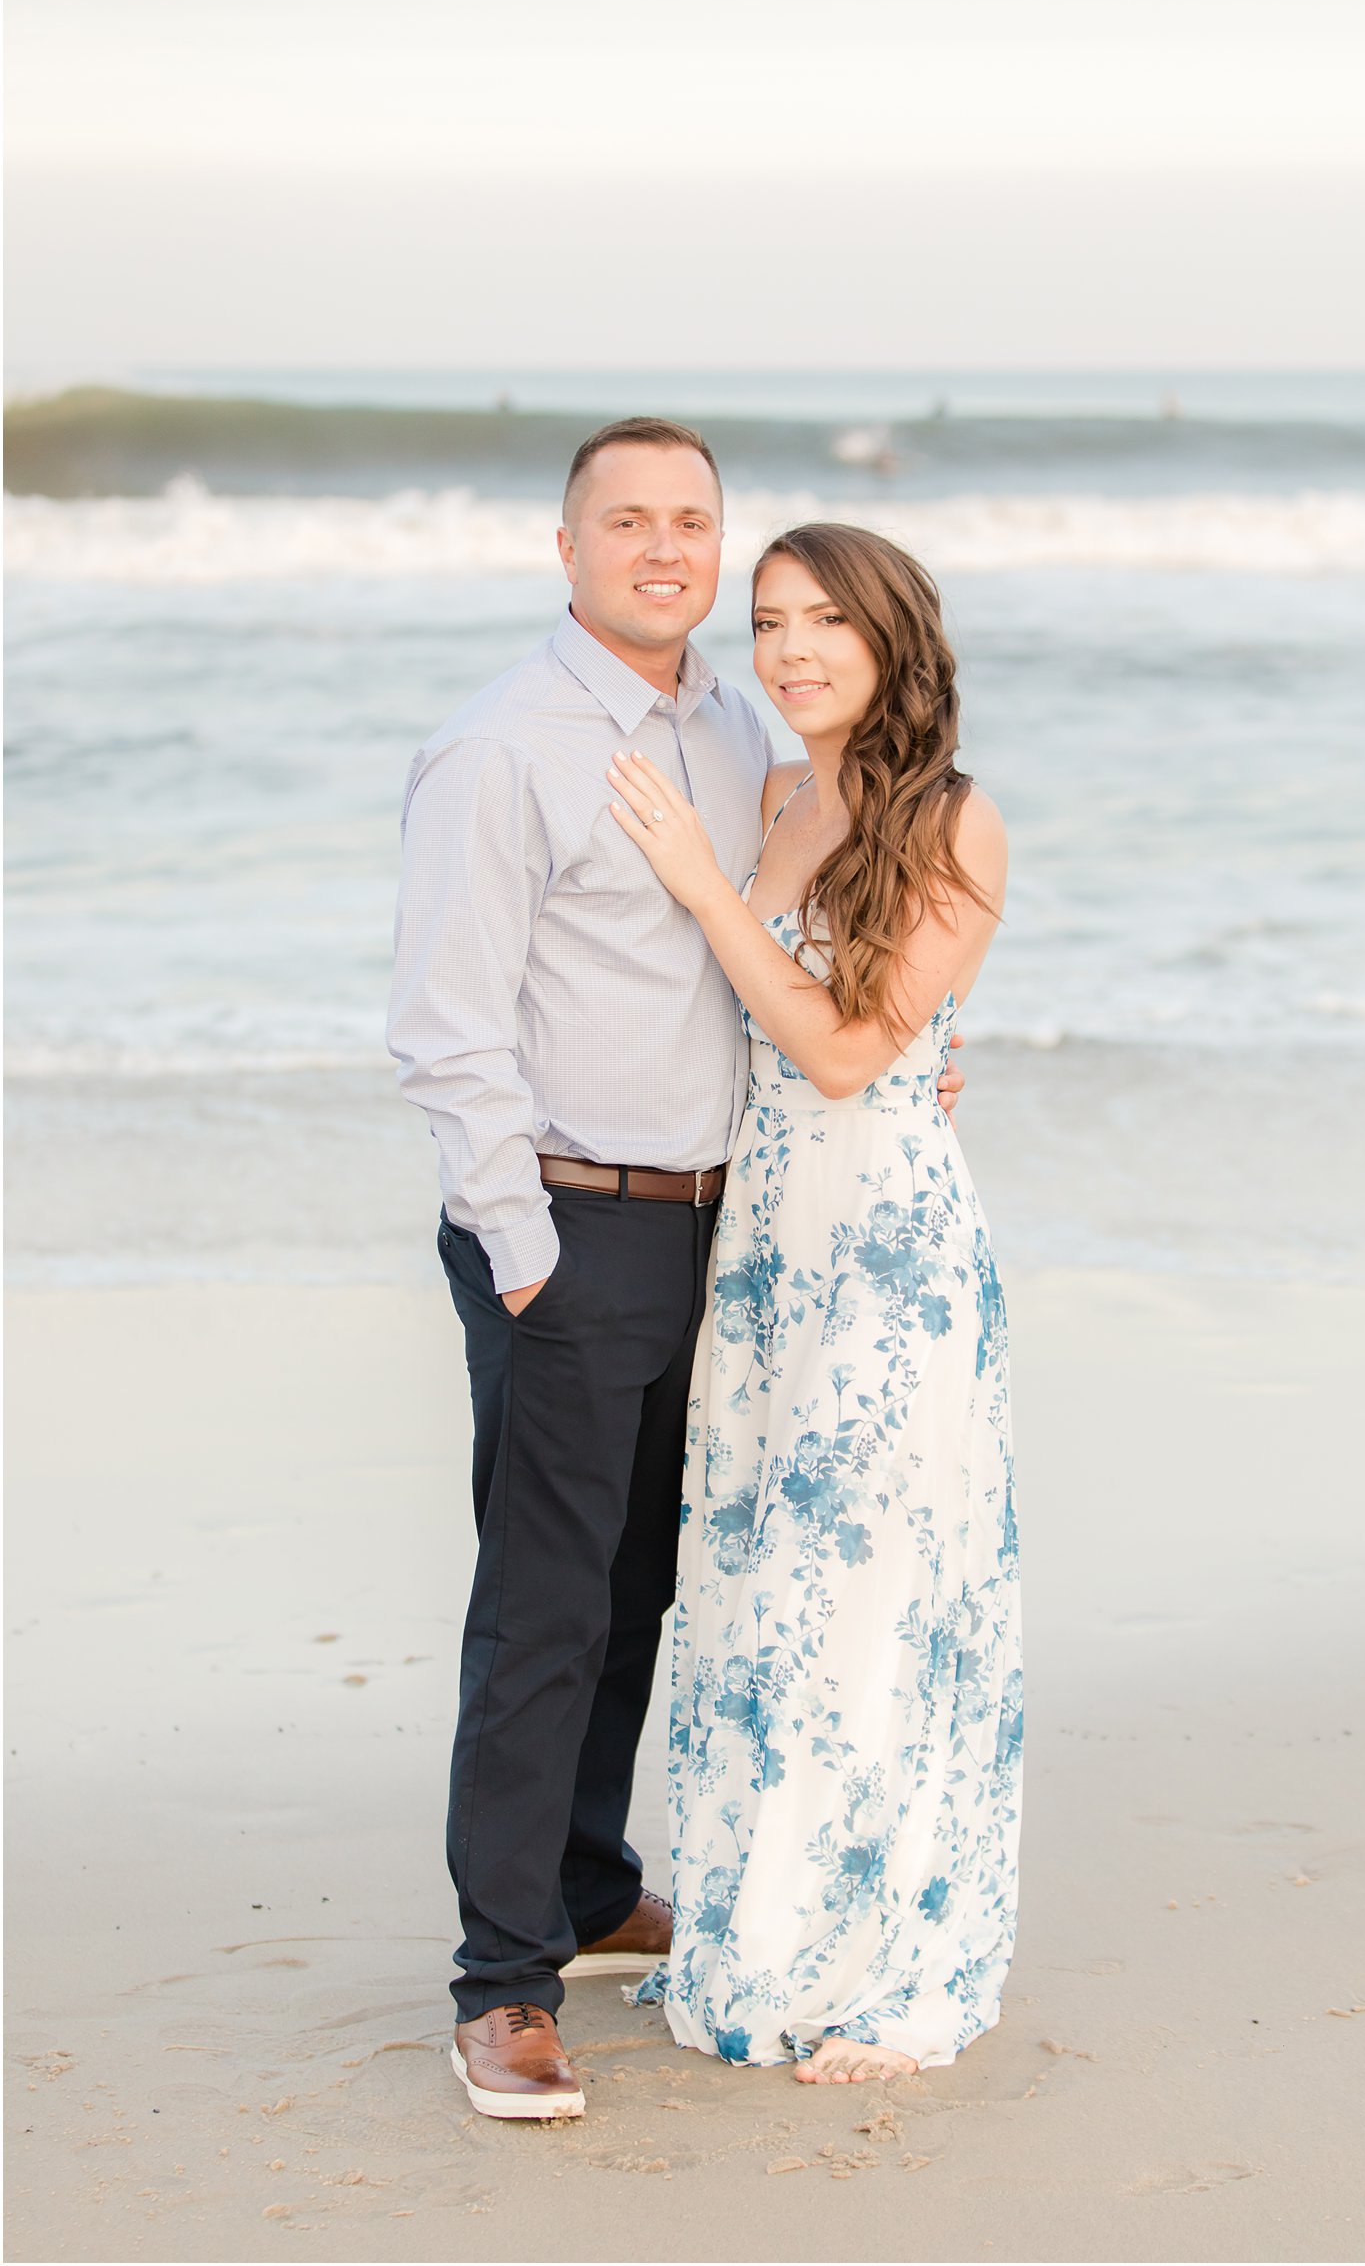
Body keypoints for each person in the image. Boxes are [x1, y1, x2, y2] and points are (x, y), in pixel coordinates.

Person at [386, 422, 965, 2120]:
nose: (664, 547)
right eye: (625, 521)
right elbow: (443, 1024)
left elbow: (790, 946)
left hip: (731, 1220)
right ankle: (501, 1981)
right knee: (547, 1600)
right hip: (571, 1228)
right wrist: (521, 1255)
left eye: (691, 521)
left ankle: (581, 1882)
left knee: (643, 1581)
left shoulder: (736, 721)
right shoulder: (504, 748)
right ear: (563, 547)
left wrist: (917, 1040)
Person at [608, 521, 1022, 2083]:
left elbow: (849, 1051)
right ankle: (769, 1935)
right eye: (769, 619)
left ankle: (893, 1976)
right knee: (757, 1588)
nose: (787, 648)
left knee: (878, 1597)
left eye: (823, 619)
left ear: (893, 631)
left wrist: (705, 893)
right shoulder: (775, 794)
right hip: (768, 1252)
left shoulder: (959, 819)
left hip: (891, 1263)